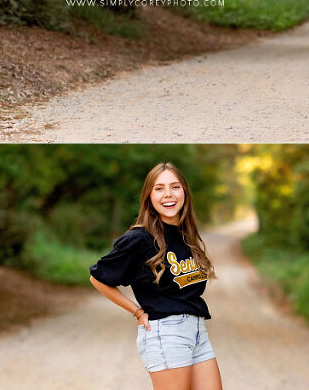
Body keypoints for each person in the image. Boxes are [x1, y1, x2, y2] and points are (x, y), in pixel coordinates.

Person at [90, 163, 222, 390]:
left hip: (197, 332)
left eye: (175, 187)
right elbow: (99, 277)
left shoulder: (185, 236)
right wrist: (137, 311)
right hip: (167, 333)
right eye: (159, 188)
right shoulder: (139, 239)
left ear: (184, 193)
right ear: (149, 196)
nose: (168, 194)